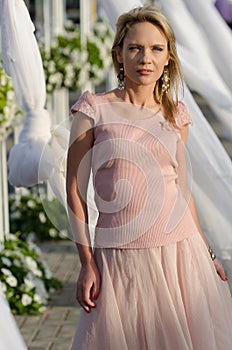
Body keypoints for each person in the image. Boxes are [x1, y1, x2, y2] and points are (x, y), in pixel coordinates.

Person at [66, 5, 232, 349]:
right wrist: (86, 263)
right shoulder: (92, 109)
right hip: (120, 258)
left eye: (157, 48)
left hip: (180, 256)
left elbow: (182, 192)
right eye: (135, 48)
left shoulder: (176, 115)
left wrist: (208, 254)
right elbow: (74, 191)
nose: (146, 58)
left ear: (168, 57)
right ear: (119, 55)